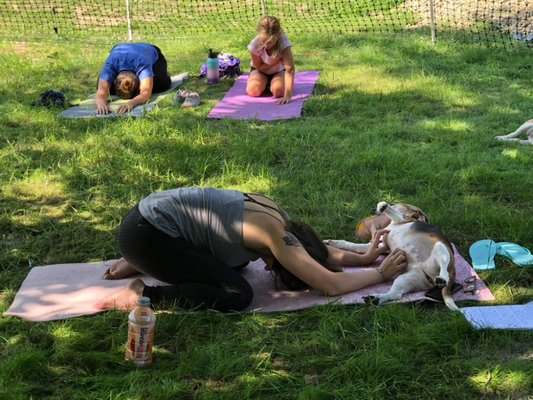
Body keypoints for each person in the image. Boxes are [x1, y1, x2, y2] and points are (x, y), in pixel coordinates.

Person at [95, 187, 407, 312]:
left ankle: (143, 261)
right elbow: (329, 284)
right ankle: (142, 294)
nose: (268, 269)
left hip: (147, 222)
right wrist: (378, 273)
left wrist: (364, 255)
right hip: (147, 234)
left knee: (237, 264)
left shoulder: (280, 219)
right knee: (236, 293)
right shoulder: (274, 236)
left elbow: (320, 251)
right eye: (279, 269)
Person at [95, 42, 172, 115]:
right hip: (121, 50)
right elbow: (101, 92)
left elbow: (146, 93)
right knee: (102, 85)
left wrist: (131, 103)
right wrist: (101, 104)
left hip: (152, 53)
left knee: (159, 85)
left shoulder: (142, 64)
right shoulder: (110, 65)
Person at [245, 16, 295, 105]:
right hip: (260, 71)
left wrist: (287, 95)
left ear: (278, 36)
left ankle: (272, 84)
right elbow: (259, 67)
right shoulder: (254, 44)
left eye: (270, 42)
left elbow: (290, 68)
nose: (265, 45)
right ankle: (264, 83)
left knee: (279, 91)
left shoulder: (283, 42)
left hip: (278, 71)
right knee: (253, 90)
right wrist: (276, 61)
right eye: (263, 40)